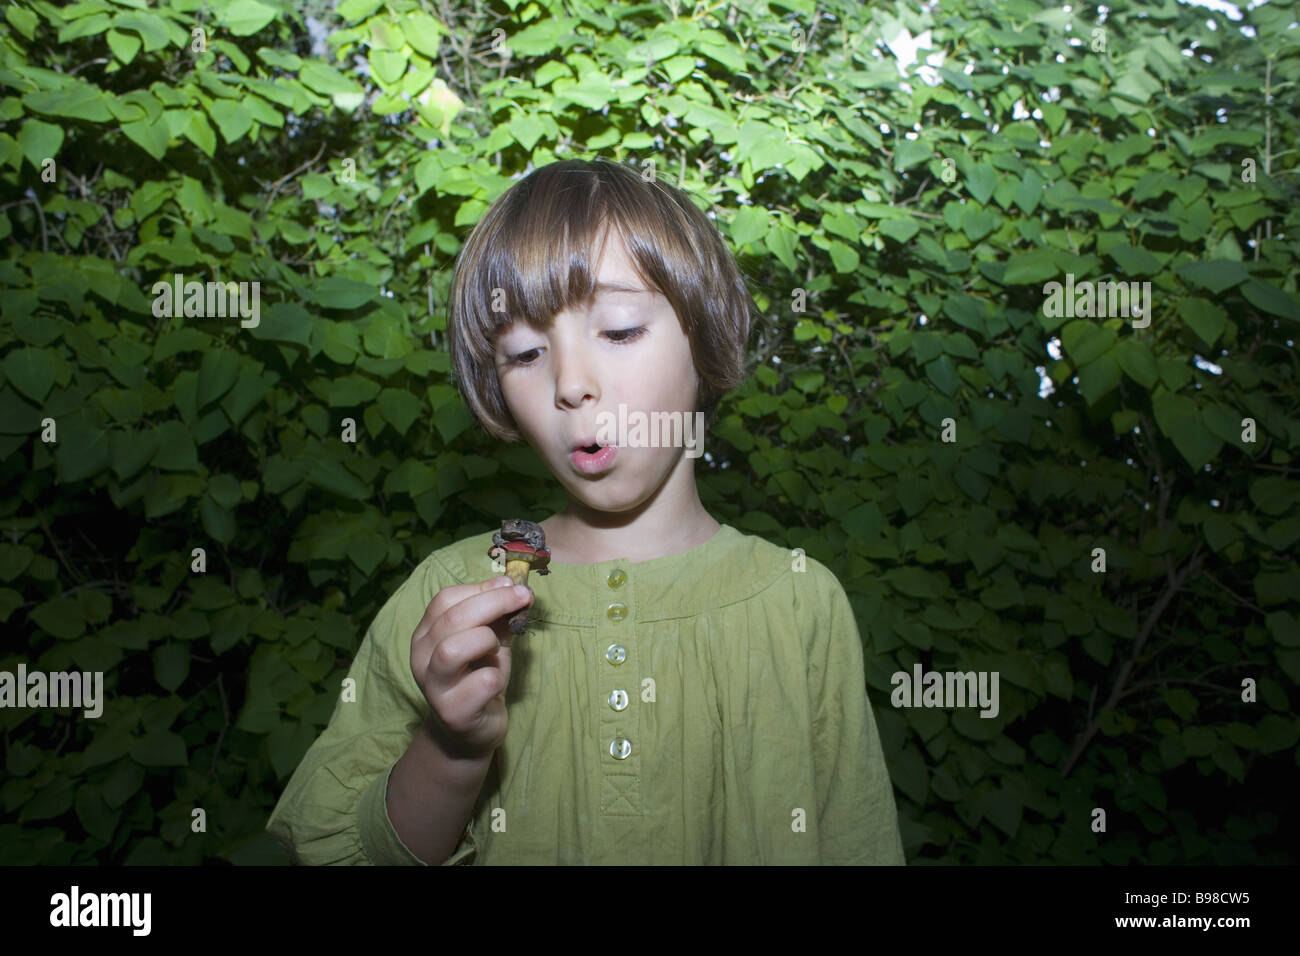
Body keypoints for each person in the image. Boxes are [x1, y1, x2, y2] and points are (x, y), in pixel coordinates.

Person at [265, 158, 905, 865]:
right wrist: (452, 748)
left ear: (709, 337)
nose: (570, 383)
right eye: (525, 352)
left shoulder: (799, 602)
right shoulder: (448, 597)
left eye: (622, 330)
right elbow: (336, 851)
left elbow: (859, 840)